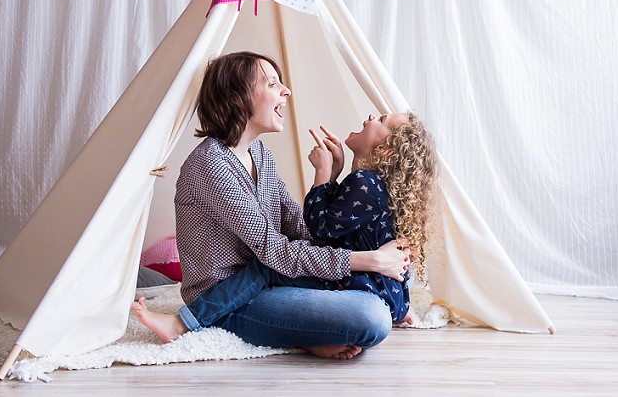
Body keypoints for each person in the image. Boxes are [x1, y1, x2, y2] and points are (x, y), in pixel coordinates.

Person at [131, 51, 409, 359]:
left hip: (273, 281)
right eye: (273, 83)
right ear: (238, 97)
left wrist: (331, 178)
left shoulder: (260, 154)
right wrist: (369, 261)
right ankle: (194, 322)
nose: (286, 91)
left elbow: (301, 230)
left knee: (372, 300)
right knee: (372, 318)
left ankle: (304, 336)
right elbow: (274, 251)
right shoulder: (211, 165)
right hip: (229, 297)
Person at [303, 112, 438, 324]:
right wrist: (335, 173)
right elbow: (341, 224)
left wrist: (322, 172)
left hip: (367, 292)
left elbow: (320, 229)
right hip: (390, 292)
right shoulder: (376, 185)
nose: (371, 116)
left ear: (387, 150)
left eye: (382, 120)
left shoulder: (363, 182)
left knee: (273, 274)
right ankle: (399, 309)